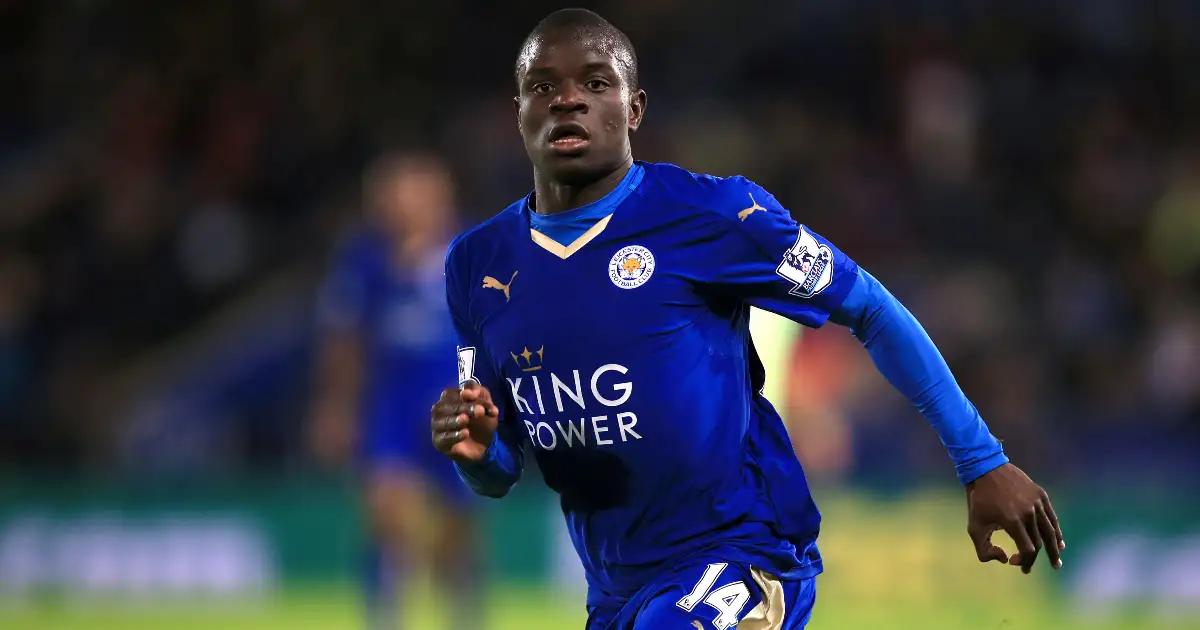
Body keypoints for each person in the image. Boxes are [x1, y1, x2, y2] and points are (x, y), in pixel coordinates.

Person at [430, 9, 1065, 630]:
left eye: (596, 83)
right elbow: (498, 467)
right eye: (544, 87)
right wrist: (476, 453)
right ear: (519, 112)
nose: (568, 100)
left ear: (635, 109)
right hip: (616, 592)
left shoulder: (713, 215)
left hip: (742, 555)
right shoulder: (476, 265)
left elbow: (870, 307)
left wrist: (981, 461)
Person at [311, 152, 480, 630]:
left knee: (455, 525)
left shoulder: (472, 249)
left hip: (458, 402)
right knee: (385, 508)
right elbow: (344, 337)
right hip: (392, 404)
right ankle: (385, 615)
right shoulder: (364, 258)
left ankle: (463, 611)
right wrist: (336, 407)